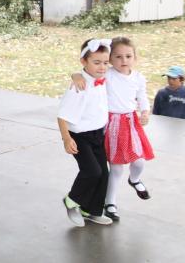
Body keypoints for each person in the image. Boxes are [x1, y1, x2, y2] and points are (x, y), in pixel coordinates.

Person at [72, 36, 154, 222]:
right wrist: (75, 75)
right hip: (112, 124)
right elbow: (86, 73)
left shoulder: (138, 78)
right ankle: (110, 203)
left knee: (139, 161)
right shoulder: (107, 74)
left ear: (135, 57)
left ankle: (134, 179)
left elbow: (142, 97)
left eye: (128, 56)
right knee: (116, 168)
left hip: (131, 123)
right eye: (118, 57)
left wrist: (145, 112)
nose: (124, 61)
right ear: (110, 59)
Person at [58, 38, 113, 227]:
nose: (102, 67)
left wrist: (76, 73)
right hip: (79, 136)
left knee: (103, 174)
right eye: (96, 62)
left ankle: (91, 210)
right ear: (84, 61)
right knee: (92, 171)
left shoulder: (102, 78)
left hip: (98, 134)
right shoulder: (78, 86)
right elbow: (62, 116)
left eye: (105, 62)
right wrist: (66, 139)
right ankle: (71, 200)